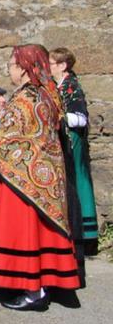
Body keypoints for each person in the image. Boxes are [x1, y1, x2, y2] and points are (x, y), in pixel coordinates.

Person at [0, 44, 82, 311]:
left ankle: (33, 288)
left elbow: (10, 138)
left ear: (23, 68)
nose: (9, 70)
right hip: (43, 178)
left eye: (11, 65)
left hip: (22, 179)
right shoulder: (47, 95)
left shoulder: (26, 99)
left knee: (26, 236)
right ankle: (41, 283)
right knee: (42, 235)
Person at [50, 47, 99, 246]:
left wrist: (55, 115)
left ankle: (87, 235)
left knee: (79, 179)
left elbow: (80, 118)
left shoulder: (71, 87)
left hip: (73, 140)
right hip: (64, 139)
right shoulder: (58, 86)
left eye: (51, 64)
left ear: (62, 65)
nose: (48, 68)